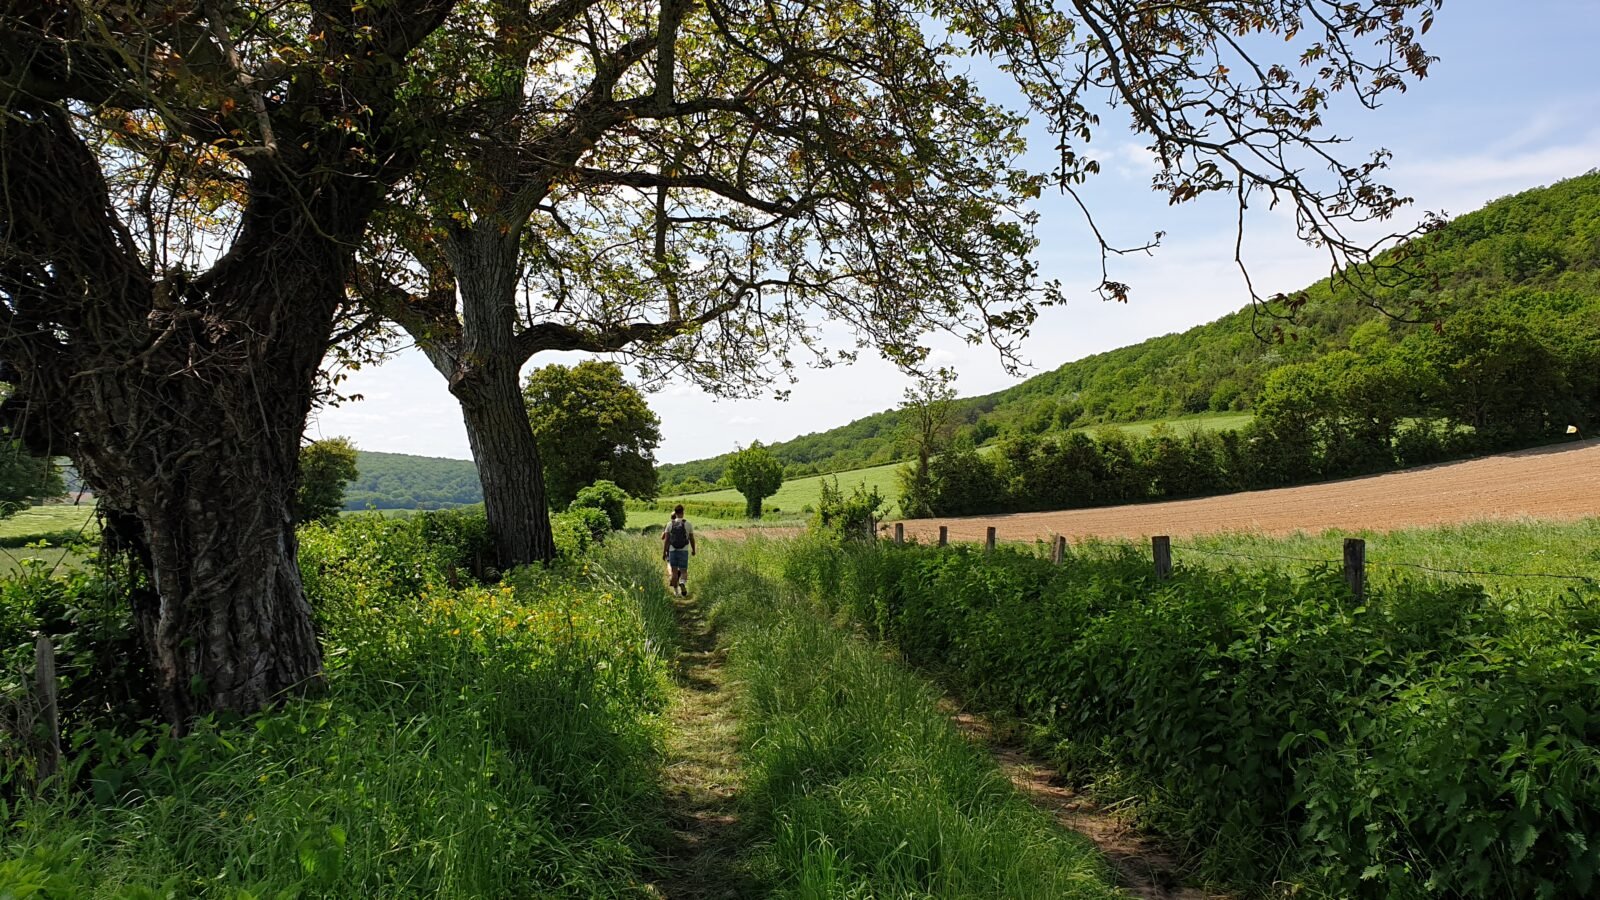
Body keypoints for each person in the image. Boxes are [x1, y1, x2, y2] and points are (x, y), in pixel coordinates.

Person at [661, 504, 696, 596]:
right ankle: (682, 583)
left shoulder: (669, 524)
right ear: (683, 513)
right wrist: (693, 550)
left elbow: (666, 540)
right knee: (684, 571)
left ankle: (676, 592)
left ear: (675, 513)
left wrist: (664, 552)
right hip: (684, 551)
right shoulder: (688, 524)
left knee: (674, 572)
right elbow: (692, 538)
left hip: (672, 551)